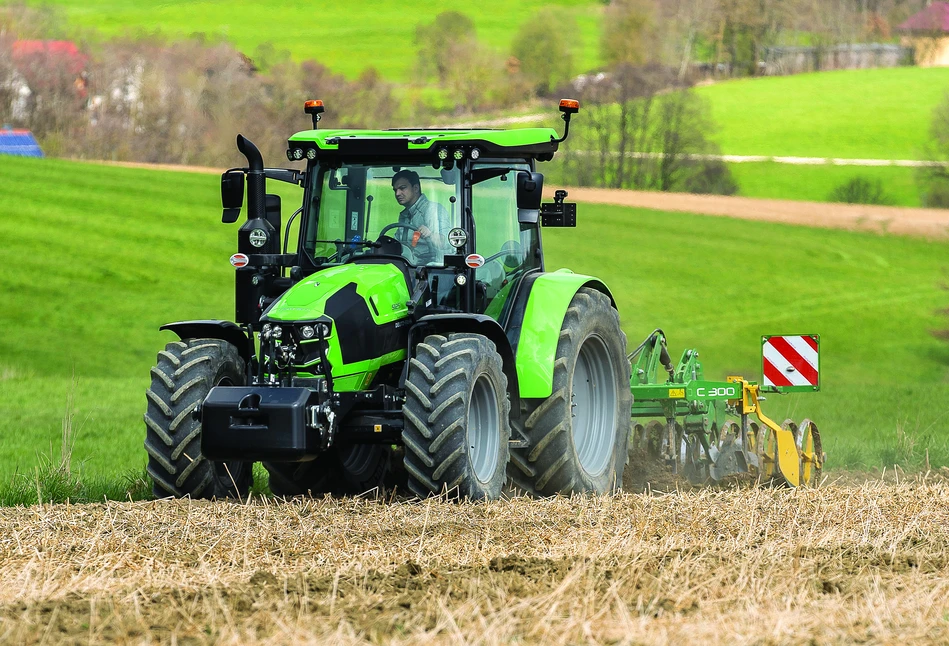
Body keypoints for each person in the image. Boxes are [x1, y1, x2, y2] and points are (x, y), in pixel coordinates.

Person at [390, 169, 451, 264]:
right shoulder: (404, 215)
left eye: (402, 188)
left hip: (430, 269)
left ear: (415, 188)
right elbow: (397, 242)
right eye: (395, 190)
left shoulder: (432, 210)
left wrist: (430, 235)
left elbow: (446, 244)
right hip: (408, 265)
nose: (397, 194)